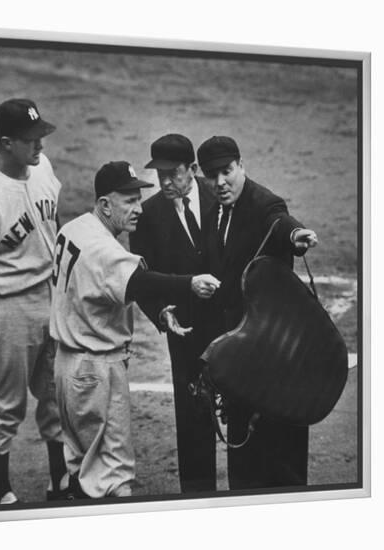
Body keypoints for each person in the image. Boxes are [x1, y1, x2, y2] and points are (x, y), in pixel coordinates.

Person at [50, 160, 220, 499]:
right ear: (104, 205)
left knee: (84, 468)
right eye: (128, 200)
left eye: (138, 199)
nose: (139, 209)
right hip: (96, 371)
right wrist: (190, 283)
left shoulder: (76, 227)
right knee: (114, 477)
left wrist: (160, 313)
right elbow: (142, 282)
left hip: (66, 368)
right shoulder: (105, 250)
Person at [197, 135, 318, 490]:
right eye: (211, 175)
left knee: (281, 456)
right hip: (242, 356)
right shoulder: (216, 210)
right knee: (245, 461)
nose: (219, 182)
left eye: (226, 171)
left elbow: (280, 222)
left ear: (241, 166)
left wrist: (296, 235)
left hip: (276, 358)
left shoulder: (262, 202)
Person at [0, 98, 67, 504]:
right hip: (5, 307)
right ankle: (1, 490)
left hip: (49, 294)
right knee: (5, 404)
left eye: (41, 135)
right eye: (31, 140)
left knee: (55, 393)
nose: (40, 145)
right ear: (7, 143)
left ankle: (59, 478)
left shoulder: (42, 167)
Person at [128, 134, 217, 493]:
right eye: (159, 173)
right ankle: (198, 498)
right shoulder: (148, 215)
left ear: (192, 170)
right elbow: (144, 278)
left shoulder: (220, 198)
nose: (165, 181)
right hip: (186, 330)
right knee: (193, 416)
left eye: (173, 173)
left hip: (231, 325)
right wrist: (161, 313)